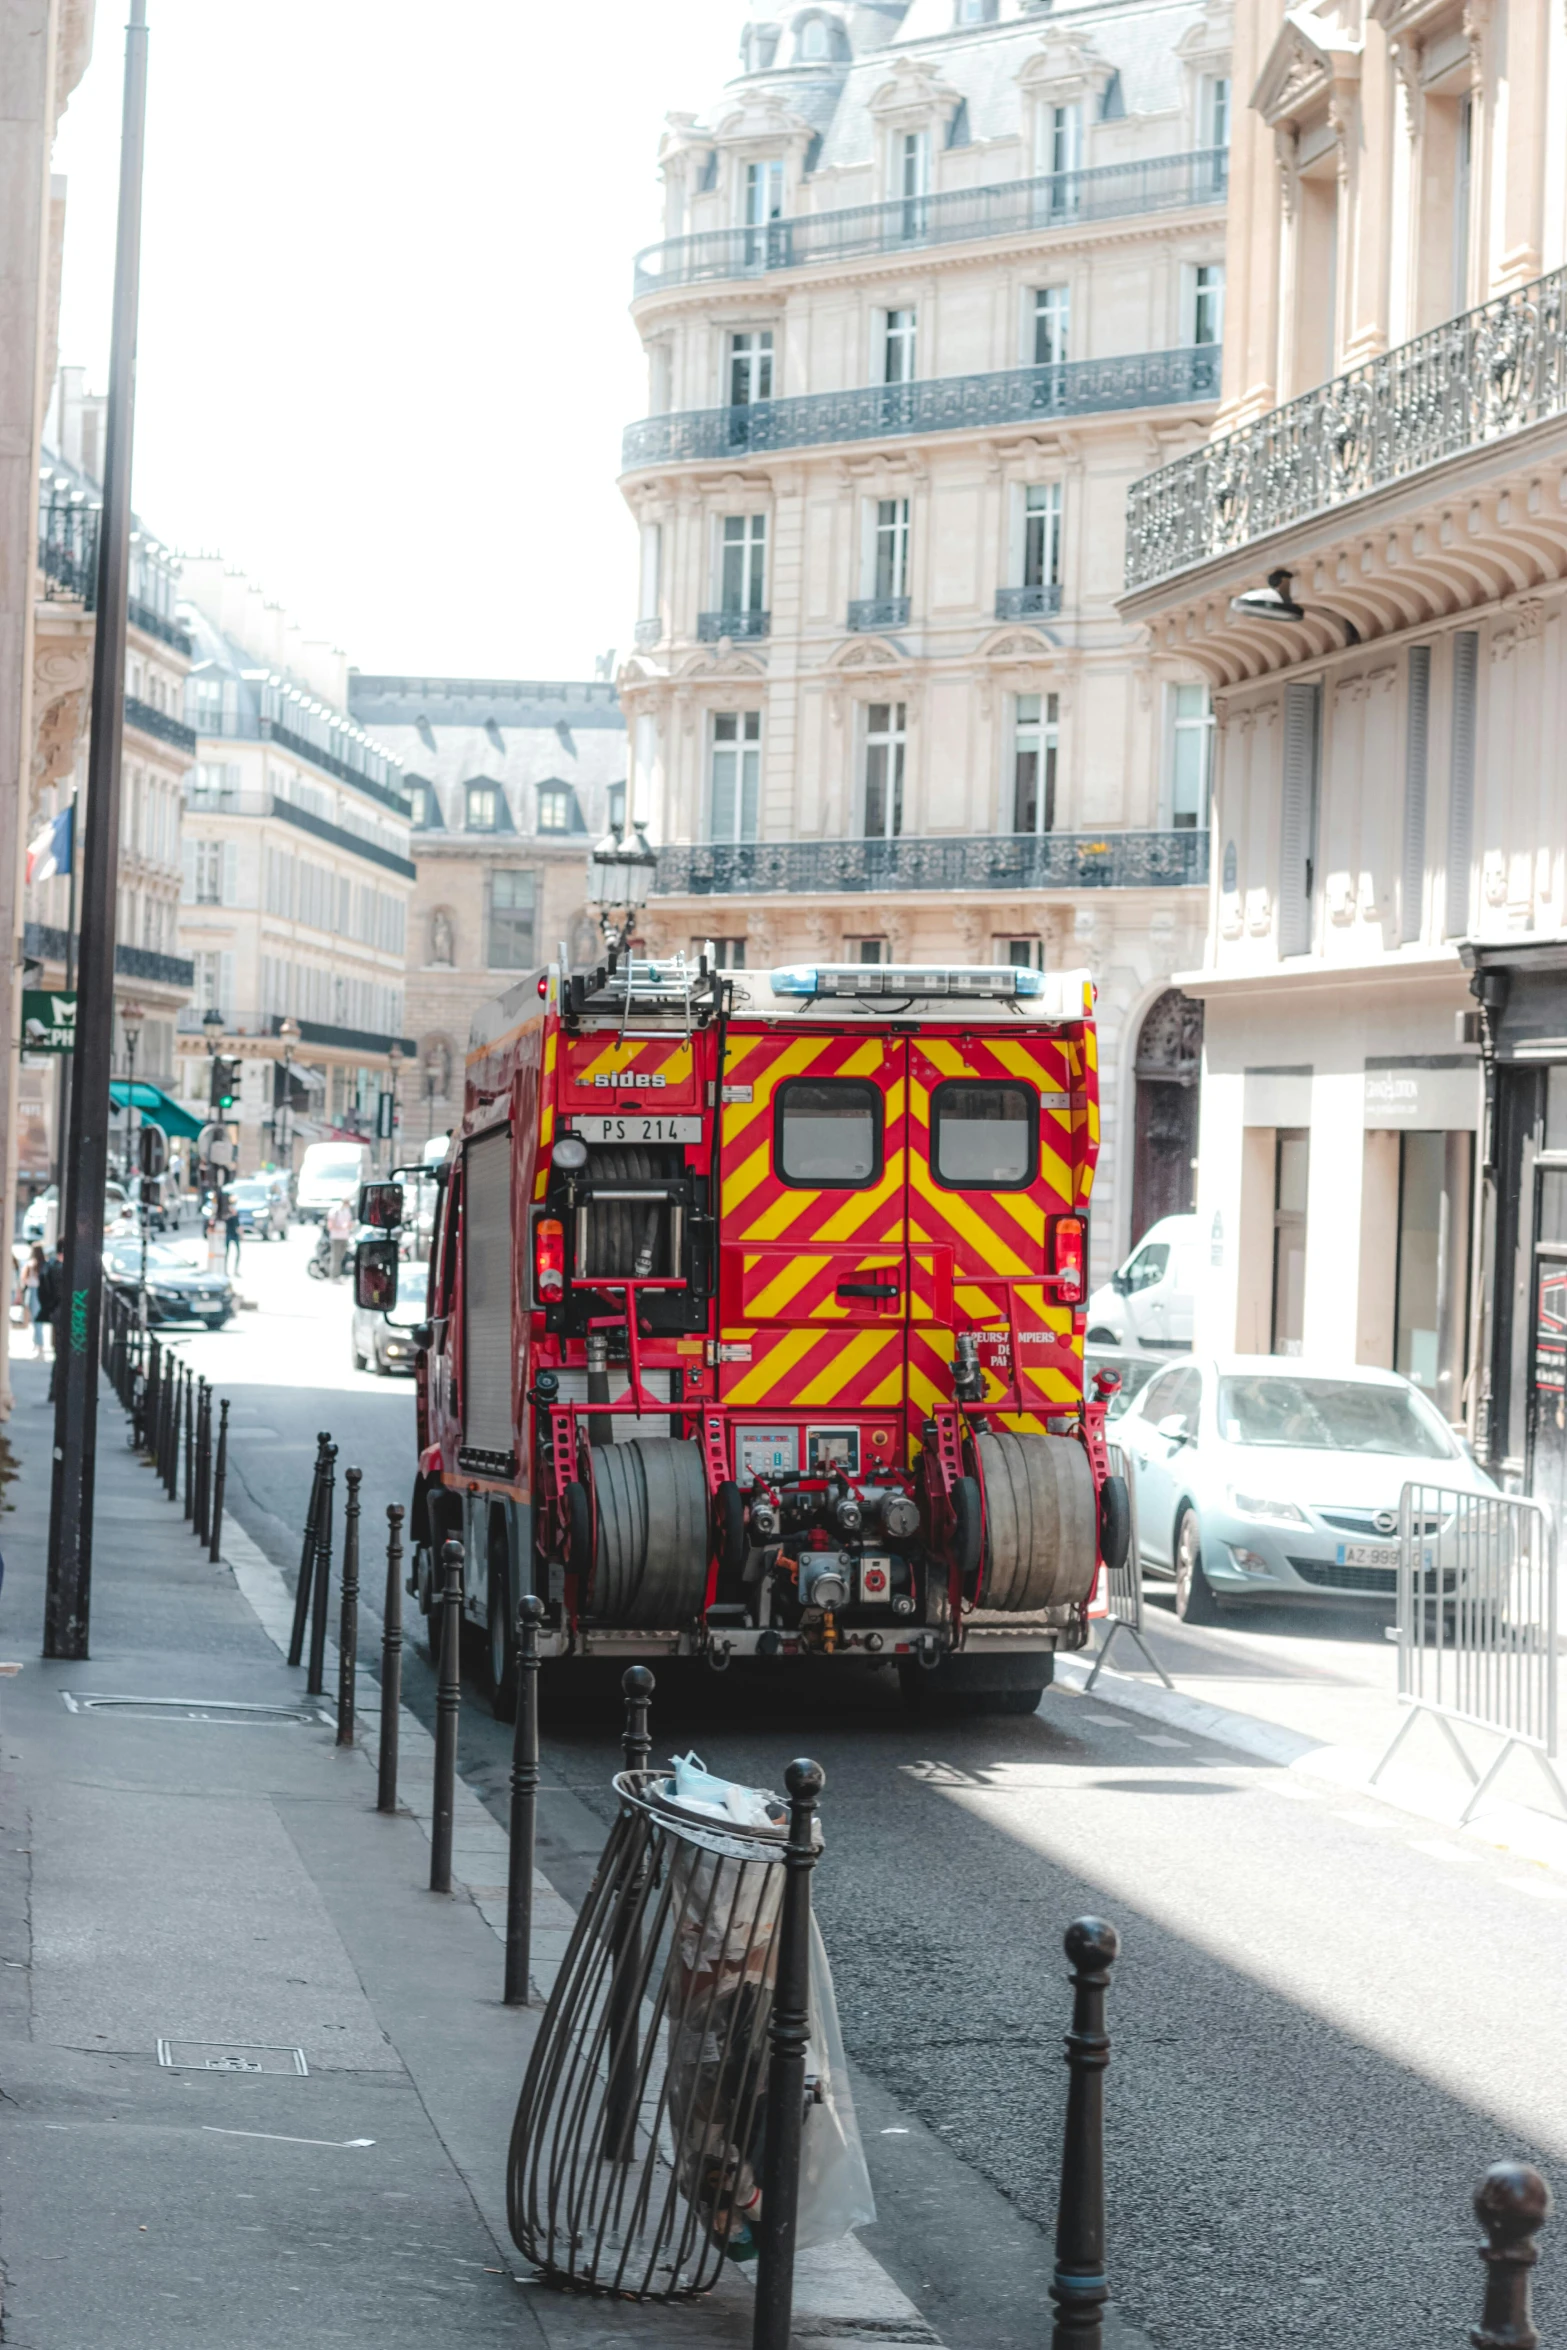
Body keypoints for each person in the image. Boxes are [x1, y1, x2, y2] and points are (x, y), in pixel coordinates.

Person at [39, 1240, 65, 1400]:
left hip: (55, 1312)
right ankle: (56, 1390)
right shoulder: (59, 1270)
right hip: (61, 1313)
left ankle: (55, 1390)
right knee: (62, 1353)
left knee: (60, 1353)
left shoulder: (51, 1267)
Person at [19, 1243, 45, 1357]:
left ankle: (39, 1345)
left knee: (36, 1321)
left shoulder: (31, 1264)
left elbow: (24, 1279)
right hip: (41, 1293)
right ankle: (37, 1344)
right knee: (37, 1321)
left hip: (33, 1292)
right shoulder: (44, 1265)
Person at [326, 1195, 353, 1281]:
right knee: (336, 1257)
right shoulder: (335, 1211)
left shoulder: (347, 1211)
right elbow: (330, 1225)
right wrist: (342, 1227)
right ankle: (334, 1276)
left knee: (341, 1256)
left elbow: (349, 1223)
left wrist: (349, 1226)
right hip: (336, 1237)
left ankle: (338, 1274)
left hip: (344, 1236)